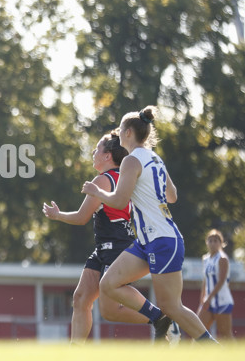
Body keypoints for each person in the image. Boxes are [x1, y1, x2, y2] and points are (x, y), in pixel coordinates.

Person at [81, 106, 217, 343]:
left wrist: (97, 192)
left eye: (121, 130)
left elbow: (119, 200)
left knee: (172, 306)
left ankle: (211, 347)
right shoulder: (154, 157)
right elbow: (172, 195)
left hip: (162, 240)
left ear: (129, 133)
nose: (119, 134)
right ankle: (158, 318)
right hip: (147, 241)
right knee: (109, 284)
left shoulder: (131, 161)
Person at [43, 131, 155, 344]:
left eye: (97, 149)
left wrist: (57, 215)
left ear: (107, 156)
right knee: (80, 299)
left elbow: (81, 217)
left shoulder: (103, 180)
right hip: (106, 247)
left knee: (111, 310)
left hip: (116, 248)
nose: (93, 152)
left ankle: (160, 317)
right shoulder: (123, 178)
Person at [197, 229, 234, 340]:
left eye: (216, 240)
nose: (213, 243)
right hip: (208, 302)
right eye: (210, 240)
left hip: (222, 301)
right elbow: (205, 279)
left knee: (225, 334)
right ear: (206, 242)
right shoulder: (206, 259)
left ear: (221, 243)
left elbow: (221, 281)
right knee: (197, 330)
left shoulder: (222, 259)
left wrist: (209, 297)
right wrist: (202, 297)